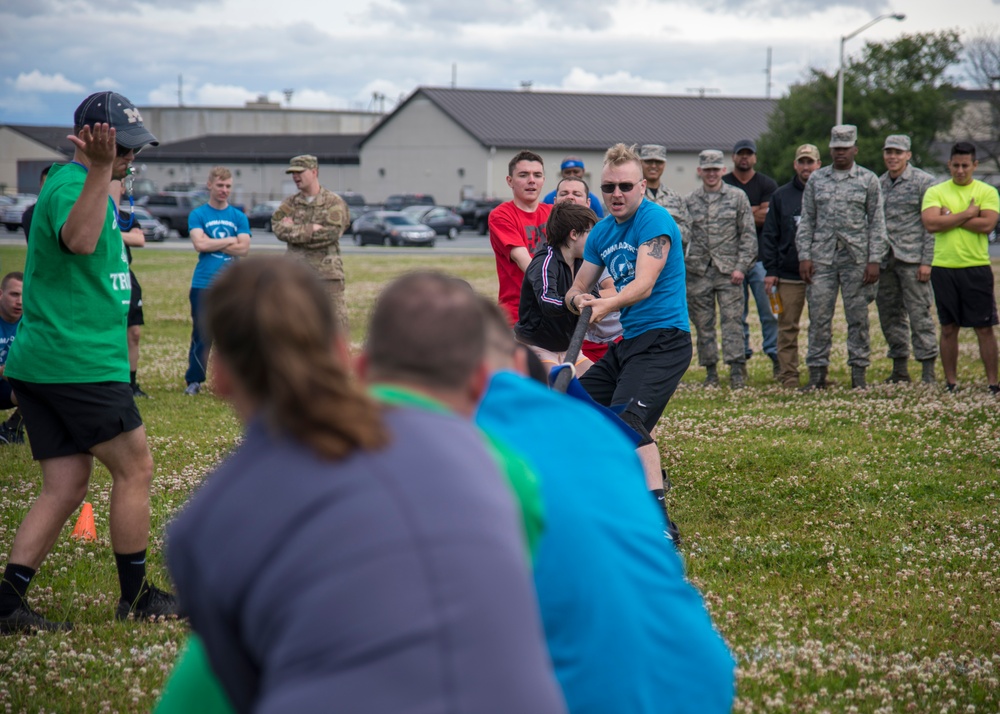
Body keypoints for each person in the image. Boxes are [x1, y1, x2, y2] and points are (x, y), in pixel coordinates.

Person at [166, 257, 566, 714]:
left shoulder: (206, 526)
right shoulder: (497, 460)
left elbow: (231, 685)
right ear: (343, 353)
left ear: (219, 376)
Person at [0, 91, 178, 633]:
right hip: (75, 363)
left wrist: (105, 172)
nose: (130, 158)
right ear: (93, 141)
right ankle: (137, 598)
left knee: (66, 484)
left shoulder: (83, 183)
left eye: (132, 149)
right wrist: (100, 169)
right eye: (122, 148)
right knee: (135, 468)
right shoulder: (74, 184)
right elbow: (78, 241)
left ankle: (7, 602)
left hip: (49, 360)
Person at [564, 143, 691, 529]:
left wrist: (606, 305)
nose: (616, 194)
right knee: (572, 411)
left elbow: (644, 285)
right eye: (608, 187)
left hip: (664, 340)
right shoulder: (602, 231)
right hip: (629, 344)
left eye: (624, 186)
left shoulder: (655, 222)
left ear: (641, 187)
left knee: (626, 422)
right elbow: (579, 284)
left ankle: (658, 523)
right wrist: (578, 300)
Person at [796, 124, 887, 390]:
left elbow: (877, 223)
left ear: (855, 149)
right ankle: (817, 377)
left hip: (857, 260)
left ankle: (858, 377)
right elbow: (807, 220)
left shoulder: (868, 179)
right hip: (821, 260)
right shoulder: (817, 179)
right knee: (819, 319)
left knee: (857, 319)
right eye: (836, 148)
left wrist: (874, 259)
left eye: (845, 148)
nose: (840, 153)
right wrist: (804, 255)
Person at [921, 141, 1000, 394]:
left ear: (975, 165)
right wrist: (968, 213)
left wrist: (950, 217)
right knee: (948, 327)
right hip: (944, 267)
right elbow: (931, 224)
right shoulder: (935, 191)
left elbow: (987, 225)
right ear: (949, 165)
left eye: (965, 165)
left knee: (984, 327)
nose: (960, 170)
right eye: (956, 165)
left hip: (975, 265)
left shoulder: (987, 192)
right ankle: (951, 382)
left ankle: (992, 382)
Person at [685, 149, 757, 389]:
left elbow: (748, 236)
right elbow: (685, 237)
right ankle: (711, 372)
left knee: (733, 322)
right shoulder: (690, 201)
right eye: (707, 170)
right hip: (698, 272)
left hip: (730, 272)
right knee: (703, 325)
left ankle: (737, 369)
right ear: (700, 172)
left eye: (716, 169)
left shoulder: (737, 197)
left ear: (723, 170)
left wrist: (741, 267)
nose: (712, 174)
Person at [877, 134, 939, 384]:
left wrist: (927, 261)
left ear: (908, 155)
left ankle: (928, 371)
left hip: (913, 260)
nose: (893, 157)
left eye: (898, 152)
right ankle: (900, 369)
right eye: (889, 152)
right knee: (890, 316)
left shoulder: (925, 182)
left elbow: (931, 226)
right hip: (885, 260)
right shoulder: (878, 183)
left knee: (919, 315)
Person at [184, 166, 251, 396]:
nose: (224, 190)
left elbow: (243, 249)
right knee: (202, 333)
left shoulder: (238, 216)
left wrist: (214, 240)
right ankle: (194, 380)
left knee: (233, 333)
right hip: (203, 283)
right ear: (210, 185)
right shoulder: (198, 215)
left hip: (231, 285)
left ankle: (233, 380)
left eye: (228, 186)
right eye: (220, 185)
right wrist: (231, 239)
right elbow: (199, 245)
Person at [761, 144, 821, 389]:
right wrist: (772, 270)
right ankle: (789, 376)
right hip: (788, 274)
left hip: (821, 272)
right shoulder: (781, 195)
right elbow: (770, 234)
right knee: (787, 327)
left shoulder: (826, 191)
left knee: (820, 326)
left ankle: (819, 373)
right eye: (802, 162)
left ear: (819, 164)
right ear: (796, 165)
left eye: (811, 162)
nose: (806, 167)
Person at [514, 201, 598, 373]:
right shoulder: (545, 262)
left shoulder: (582, 262)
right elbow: (546, 300)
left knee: (598, 388)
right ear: (574, 234)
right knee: (557, 390)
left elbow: (594, 295)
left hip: (570, 350)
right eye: (591, 233)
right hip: (536, 348)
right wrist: (574, 301)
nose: (595, 239)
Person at [271, 154, 351, 332]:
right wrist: (309, 229)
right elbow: (277, 228)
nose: (295, 177)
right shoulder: (290, 204)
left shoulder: (333, 202)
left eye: (300, 172)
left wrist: (294, 231)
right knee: (294, 327)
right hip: (295, 274)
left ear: (314, 172)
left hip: (327, 275)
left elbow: (331, 234)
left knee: (334, 328)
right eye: (292, 173)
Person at [722, 139, 780, 375]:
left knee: (770, 311)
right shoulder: (724, 183)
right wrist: (755, 210)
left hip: (761, 261)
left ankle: (775, 355)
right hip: (730, 262)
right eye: (740, 154)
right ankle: (741, 356)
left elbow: (767, 217)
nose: (744, 158)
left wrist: (741, 213)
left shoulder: (767, 183)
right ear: (734, 157)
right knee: (736, 314)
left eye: (749, 154)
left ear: (755, 157)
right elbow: (749, 216)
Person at [556, 177, 623, 363]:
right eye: (564, 193)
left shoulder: (598, 240)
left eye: (576, 194)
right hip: (577, 338)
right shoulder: (551, 245)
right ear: (554, 202)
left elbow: (614, 290)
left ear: (588, 203)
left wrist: (583, 300)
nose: (570, 198)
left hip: (612, 337)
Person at [489, 150, 552, 324]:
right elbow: (525, 262)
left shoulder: (554, 213)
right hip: (518, 315)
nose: (531, 180)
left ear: (543, 181)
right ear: (510, 181)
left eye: (537, 175)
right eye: (523, 175)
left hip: (553, 314)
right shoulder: (501, 215)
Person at [114, 177, 150, 398]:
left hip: (127, 276)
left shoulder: (126, 218)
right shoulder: (99, 214)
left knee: (134, 332)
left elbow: (140, 240)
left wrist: (113, 234)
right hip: (105, 276)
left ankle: (132, 384)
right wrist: (125, 237)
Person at [641, 144, 691, 244]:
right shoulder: (631, 196)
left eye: (659, 162)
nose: (654, 166)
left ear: (664, 164)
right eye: (648, 161)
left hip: (669, 257)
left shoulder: (676, 198)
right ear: (640, 163)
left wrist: (665, 225)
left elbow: (687, 235)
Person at [0, 272, 24, 444]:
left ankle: (12, 428)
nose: (20, 301)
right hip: (7, 375)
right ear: (1, 294)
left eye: (24, 295)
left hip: (8, 385)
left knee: (42, 387)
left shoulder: (32, 323)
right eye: (14, 294)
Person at [20, 165, 50, 241]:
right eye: (47, 185)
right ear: (40, 186)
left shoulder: (70, 211)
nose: (51, 189)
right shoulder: (31, 215)